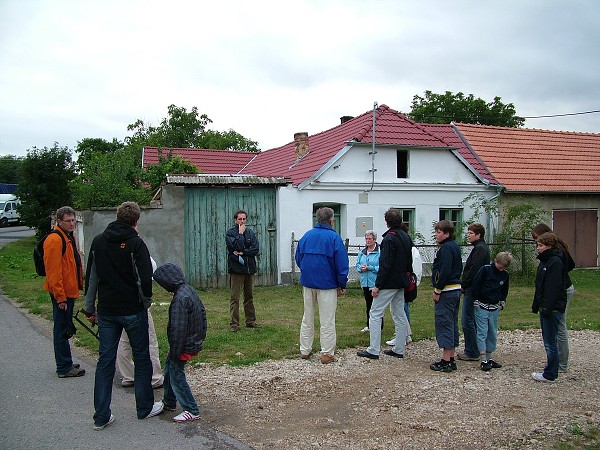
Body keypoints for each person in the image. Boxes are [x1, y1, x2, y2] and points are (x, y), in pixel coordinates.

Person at [83, 201, 163, 430]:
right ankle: (145, 408)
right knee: (142, 357)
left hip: (107, 310)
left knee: (105, 362)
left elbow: (92, 278)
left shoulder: (99, 241)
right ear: (136, 221)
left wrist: (90, 307)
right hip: (133, 309)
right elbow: (145, 277)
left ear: (117, 217)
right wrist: (145, 302)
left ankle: (101, 415)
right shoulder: (136, 244)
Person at [153, 262, 206, 423]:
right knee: (169, 369)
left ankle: (191, 409)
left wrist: (176, 351)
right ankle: (169, 401)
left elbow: (178, 329)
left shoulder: (180, 299)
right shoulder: (188, 290)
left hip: (183, 345)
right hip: (190, 341)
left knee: (176, 374)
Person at [357, 209, 412, 360]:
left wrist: (378, 285)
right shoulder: (406, 237)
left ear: (387, 222)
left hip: (388, 283)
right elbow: (409, 261)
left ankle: (374, 349)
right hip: (401, 281)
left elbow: (385, 264)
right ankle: (399, 348)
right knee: (399, 314)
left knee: (375, 313)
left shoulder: (389, 239)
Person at [296, 207, 348, 364]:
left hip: (308, 282)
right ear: (331, 220)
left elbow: (298, 258)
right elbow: (341, 264)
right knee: (327, 319)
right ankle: (327, 353)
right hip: (327, 283)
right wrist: (341, 283)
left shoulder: (306, 236)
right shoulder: (334, 238)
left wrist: (306, 271)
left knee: (307, 316)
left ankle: (305, 350)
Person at [43, 206, 85, 378]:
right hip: (62, 293)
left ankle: (66, 361)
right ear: (59, 222)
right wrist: (60, 297)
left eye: (73, 220)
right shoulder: (54, 240)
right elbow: (53, 272)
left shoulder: (68, 236)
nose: (72, 224)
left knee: (65, 327)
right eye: (68, 221)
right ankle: (63, 366)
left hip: (69, 291)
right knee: (61, 329)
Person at [531, 223, 575, 373]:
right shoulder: (552, 254)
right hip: (556, 290)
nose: (536, 245)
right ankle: (556, 361)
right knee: (554, 329)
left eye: (538, 241)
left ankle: (561, 364)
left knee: (559, 326)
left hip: (561, 290)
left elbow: (568, 267)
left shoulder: (557, 255)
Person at [116, 255, 163, 389]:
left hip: (118, 302)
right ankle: (154, 377)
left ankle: (129, 375)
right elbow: (147, 277)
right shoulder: (136, 248)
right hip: (137, 302)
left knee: (123, 340)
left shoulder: (110, 246)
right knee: (149, 339)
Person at [430, 220, 463, 372]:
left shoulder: (447, 249)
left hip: (447, 290)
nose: (436, 235)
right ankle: (450, 356)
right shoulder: (454, 246)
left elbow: (445, 271)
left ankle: (446, 360)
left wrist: (438, 289)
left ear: (447, 233)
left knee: (444, 322)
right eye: (436, 231)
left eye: (439, 232)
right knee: (451, 322)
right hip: (455, 289)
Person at [471, 252, 512, 371]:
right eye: (500, 266)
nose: (501, 269)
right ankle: (483, 358)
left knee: (492, 332)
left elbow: (504, 289)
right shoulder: (485, 270)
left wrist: (503, 301)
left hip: (494, 307)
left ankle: (489, 357)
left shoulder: (505, 275)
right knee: (482, 332)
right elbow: (476, 285)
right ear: (495, 261)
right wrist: (476, 301)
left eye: (504, 268)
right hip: (482, 306)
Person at [386, 222, 422, 346]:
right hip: (404, 280)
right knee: (399, 308)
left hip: (406, 282)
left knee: (401, 309)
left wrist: (411, 282)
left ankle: (405, 335)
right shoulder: (406, 245)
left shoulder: (409, 248)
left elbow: (415, 267)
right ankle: (405, 334)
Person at [458, 223, 491, 361]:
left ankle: (472, 351)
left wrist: (464, 284)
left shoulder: (480, 249)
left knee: (467, 319)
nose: (468, 235)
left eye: (471, 233)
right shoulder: (479, 248)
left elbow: (474, 270)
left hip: (473, 288)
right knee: (472, 319)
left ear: (478, 235)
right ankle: (476, 348)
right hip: (473, 287)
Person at [226, 209, 260, 332]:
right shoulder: (230, 233)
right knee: (235, 297)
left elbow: (255, 249)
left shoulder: (250, 233)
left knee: (249, 296)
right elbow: (235, 247)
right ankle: (234, 324)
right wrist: (240, 234)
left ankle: (250, 321)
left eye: (244, 219)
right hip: (236, 270)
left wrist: (244, 252)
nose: (242, 221)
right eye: (239, 219)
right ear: (235, 220)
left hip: (249, 269)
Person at [356, 230, 380, 333]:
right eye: (366, 239)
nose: (368, 241)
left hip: (374, 283)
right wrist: (361, 268)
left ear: (374, 240)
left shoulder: (379, 252)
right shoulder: (362, 253)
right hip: (364, 282)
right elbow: (357, 265)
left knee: (376, 306)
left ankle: (379, 327)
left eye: (370, 239)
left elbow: (381, 267)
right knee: (368, 305)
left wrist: (369, 268)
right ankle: (369, 325)